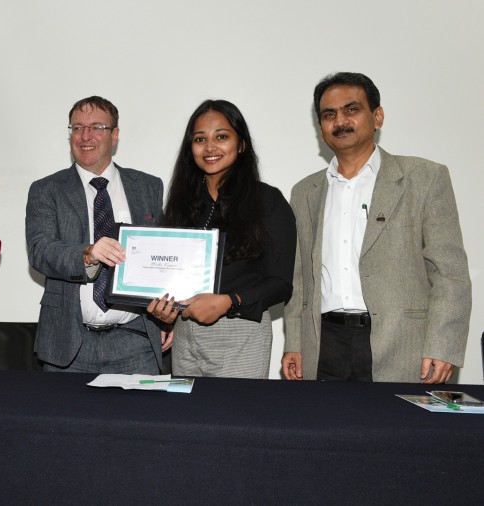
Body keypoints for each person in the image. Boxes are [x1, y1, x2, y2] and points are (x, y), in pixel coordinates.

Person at [283, 72, 472, 383]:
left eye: (351, 109)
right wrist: (295, 342)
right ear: (321, 128)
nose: (340, 121)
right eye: (329, 115)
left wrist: (443, 345)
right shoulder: (305, 192)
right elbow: (300, 278)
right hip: (324, 345)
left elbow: (449, 273)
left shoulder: (424, 178)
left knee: (401, 432)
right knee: (326, 430)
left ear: (377, 116)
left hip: (403, 346)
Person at [147, 100, 296, 379]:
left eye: (221, 136)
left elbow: (280, 284)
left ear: (241, 145)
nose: (210, 147)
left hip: (241, 331)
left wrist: (229, 301)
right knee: (187, 418)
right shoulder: (182, 205)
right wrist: (164, 311)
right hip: (184, 332)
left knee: (236, 419)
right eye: (200, 139)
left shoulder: (267, 201)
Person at [26, 96, 167, 373]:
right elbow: (40, 251)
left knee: (140, 417)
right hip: (69, 343)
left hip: (135, 341)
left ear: (114, 135)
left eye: (96, 127)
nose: (85, 136)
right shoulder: (47, 190)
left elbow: (160, 258)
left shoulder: (148, 187)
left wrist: (167, 316)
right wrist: (88, 254)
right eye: (77, 128)